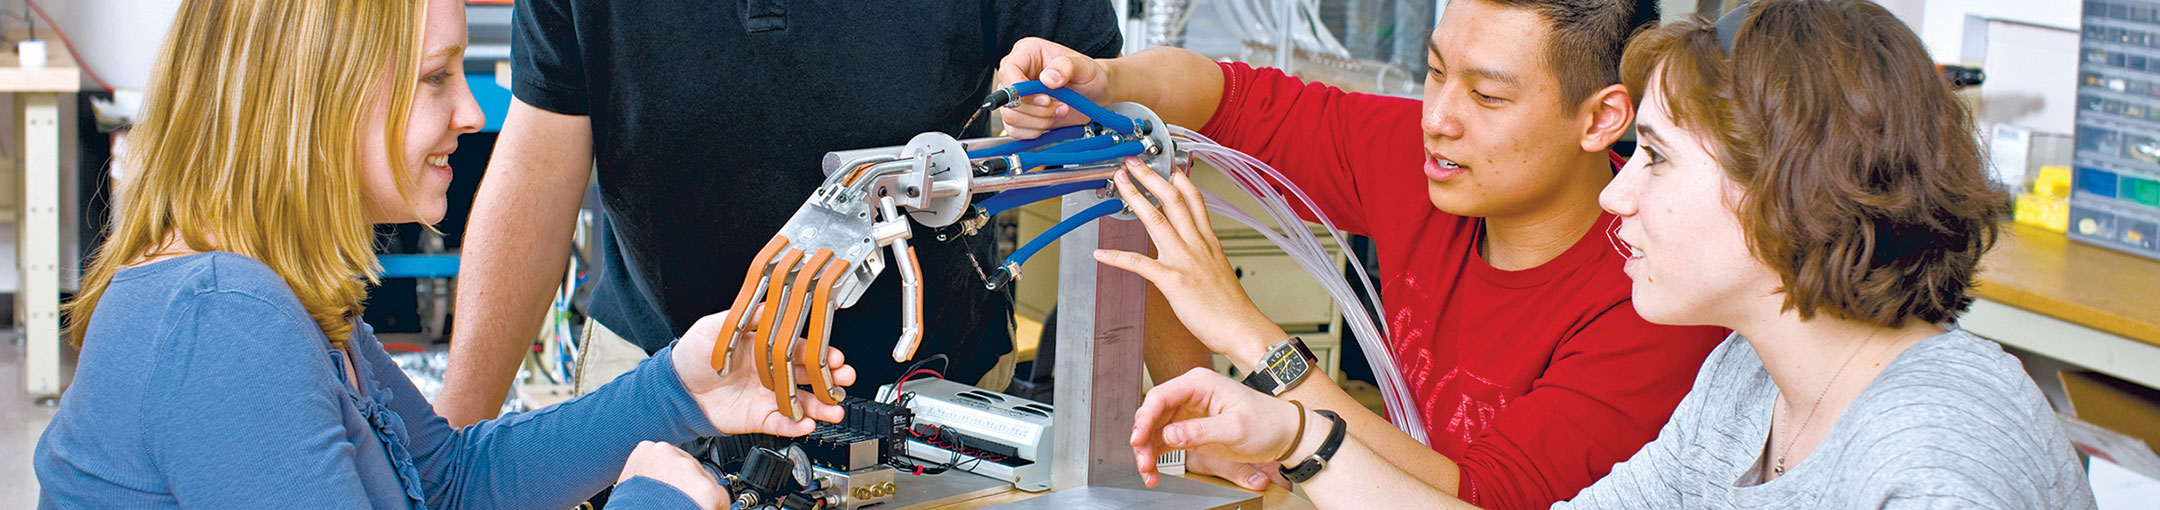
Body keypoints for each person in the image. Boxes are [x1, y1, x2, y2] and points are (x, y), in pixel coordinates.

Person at [1123, 1, 2098, 507]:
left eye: (1657, 160)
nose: (1619, 192)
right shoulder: (1744, 389)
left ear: (1788, 190)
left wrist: (1257, 345)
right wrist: (1299, 439)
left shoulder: (1934, 467)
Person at [33, 1, 852, 508]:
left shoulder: (281, 303)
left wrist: (682, 387)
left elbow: (451, 483)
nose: (468, 109)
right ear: (316, 94)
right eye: (436, 77)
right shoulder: (222, 323)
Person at [997, 0, 1727, 506]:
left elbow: (1477, 501)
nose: (1438, 119)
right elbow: (1233, 98)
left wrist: (1248, 334)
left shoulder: (1654, 301)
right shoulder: (1430, 161)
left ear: (1602, 118)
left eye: (1488, 96)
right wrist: (1107, 83)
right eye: (1437, 72)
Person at [434, 0, 1126, 426]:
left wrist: (1179, 441)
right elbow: (536, 169)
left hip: (937, 404)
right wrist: (453, 452)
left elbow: (1113, 149)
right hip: (648, 383)